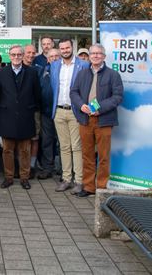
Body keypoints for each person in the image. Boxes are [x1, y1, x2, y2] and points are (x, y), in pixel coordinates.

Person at [70, 44, 124, 197]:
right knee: (87, 154)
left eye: (99, 54)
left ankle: (101, 188)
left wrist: (100, 108)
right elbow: (73, 92)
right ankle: (88, 187)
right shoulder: (82, 74)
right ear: (89, 56)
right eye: (92, 53)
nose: (95, 56)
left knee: (103, 156)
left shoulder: (113, 75)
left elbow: (118, 97)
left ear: (104, 56)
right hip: (85, 120)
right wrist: (81, 106)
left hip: (104, 120)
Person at [0, 45, 41, 190]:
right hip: (7, 115)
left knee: (25, 150)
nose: (16, 57)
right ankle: (8, 177)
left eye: (19, 55)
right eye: (13, 55)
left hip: (26, 116)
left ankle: (24, 178)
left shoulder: (32, 72)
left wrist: (30, 107)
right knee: (7, 150)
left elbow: (37, 93)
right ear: (9, 56)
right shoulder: (1, 73)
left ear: (23, 56)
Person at [50, 38, 89, 194]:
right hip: (59, 110)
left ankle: (79, 181)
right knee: (64, 147)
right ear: (59, 50)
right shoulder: (54, 65)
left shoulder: (84, 65)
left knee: (77, 147)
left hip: (75, 111)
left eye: (67, 48)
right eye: (62, 48)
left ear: (72, 47)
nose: (65, 50)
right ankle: (66, 179)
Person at [37, 48, 60, 179]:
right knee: (47, 141)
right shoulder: (42, 71)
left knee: (63, 142)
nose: (54, 58)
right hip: (46, 112)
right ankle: (47, 168)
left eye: (57, 56)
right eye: (51, 56)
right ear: (47, 59)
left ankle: (64, 170)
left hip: (61, 111)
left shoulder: (65, 71)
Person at [23, 44, 41, 177]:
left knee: (35, 138)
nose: (30, 55)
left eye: (33, 53)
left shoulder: (38, 69)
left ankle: (32, 165)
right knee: (22, 139)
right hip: (19, 110)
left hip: (34, 109)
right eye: (28, 52)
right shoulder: (16, 68)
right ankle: (22, 165)